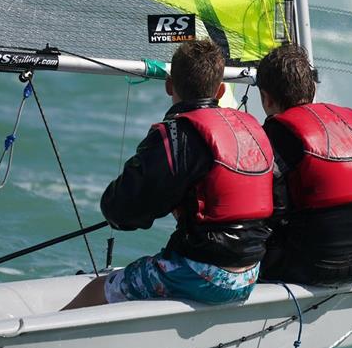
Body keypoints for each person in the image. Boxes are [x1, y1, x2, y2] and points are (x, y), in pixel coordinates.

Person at [62, 39, 274, 309]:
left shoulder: (176, 135)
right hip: (250, 272)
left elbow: (121, 211)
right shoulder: (251, 129)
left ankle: (39, 344)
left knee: (97, 290)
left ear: (169, 86)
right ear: (220, 91)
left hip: (203, 276)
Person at [255, 44, 352, 286]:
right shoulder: (349, 122)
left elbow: (271, 208)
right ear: (312, 89)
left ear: (265, 98)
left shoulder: (276, 133)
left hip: (310, 267)